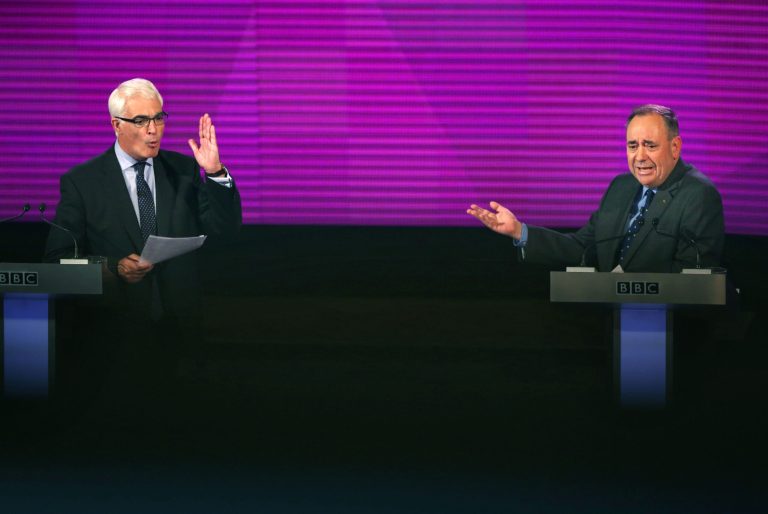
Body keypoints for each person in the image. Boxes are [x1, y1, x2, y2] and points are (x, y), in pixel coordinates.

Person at [44, 78, 242, 427]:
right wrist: (112, 268)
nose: (153, 130)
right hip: (110, 334)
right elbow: (58, 258)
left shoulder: (183, 171)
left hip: (178, 329)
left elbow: (225, 231)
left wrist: (214, 172)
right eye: (140, 121)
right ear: (116, 125)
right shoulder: (82, 181)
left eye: (159, 118)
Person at [467, 104, 724, 273]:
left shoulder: (697, 195)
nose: (640, 156)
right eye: (632, 146)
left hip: (675, 334)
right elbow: (583, 248)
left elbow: (695, 274)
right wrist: (519, 231)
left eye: (650, 145)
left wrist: (628, 281)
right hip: (617, 327)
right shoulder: (620, 188)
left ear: (675, 147)